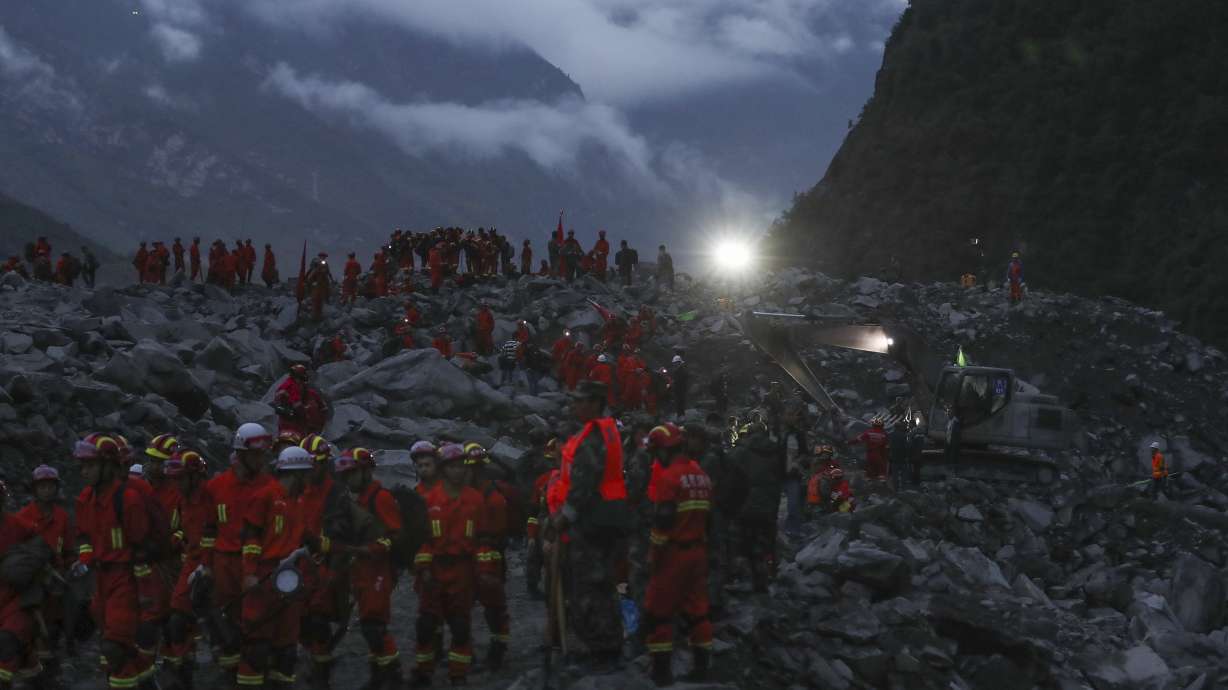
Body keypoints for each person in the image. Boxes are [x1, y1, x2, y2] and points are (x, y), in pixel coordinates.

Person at [547, 380, 631, 670]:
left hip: (592, 521)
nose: (574, 405)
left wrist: (563, 518)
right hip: (606, 517)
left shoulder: (592, 438)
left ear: (595, 403)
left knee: (589, 587)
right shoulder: (603, 431)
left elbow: (583, 485)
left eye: (580, 400)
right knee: (602, 584)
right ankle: (607, 645)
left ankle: (602, 649)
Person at [71, 433, 152, 690]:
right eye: (82, 466)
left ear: (108, 466)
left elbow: (142, 548)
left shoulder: (128, 500)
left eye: (90, 465)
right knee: (121, 647)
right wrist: (84, 559)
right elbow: (85, 536)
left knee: (113, 648)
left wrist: (145, 593)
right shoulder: (85, 498)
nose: (83, 471)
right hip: (100, 580)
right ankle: (149, 680)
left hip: (126, 579)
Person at [411, 443, 493, 687]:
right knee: (426, 624)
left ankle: (458, 675)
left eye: (461, 467)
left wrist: (485, 571)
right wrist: (423, 569)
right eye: (453, 467)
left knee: (460, 625)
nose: (458, 472)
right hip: (434, 569)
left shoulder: (475, 500)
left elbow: (483, 537)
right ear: (443, 469)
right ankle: (424, 672)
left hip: (463, 570)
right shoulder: (427, 499)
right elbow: (420, 538)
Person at [235, 444, 313, 690]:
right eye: (306, 474)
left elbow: (303, 536)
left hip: (289, 579)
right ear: (297, 473)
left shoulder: (297, 501)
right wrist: (249, 572)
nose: (309, 480)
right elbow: (250, 536)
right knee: (256, 646)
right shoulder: (266, 496)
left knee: (286, 648)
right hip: (264, 577)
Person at [640, 423, 712, 685]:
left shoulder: (669, 477)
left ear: (663, 451)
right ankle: (702, 668)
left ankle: (661, 673)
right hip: (698, 552)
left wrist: (653, 556)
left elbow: (663, 523)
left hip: (673, 554)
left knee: (659, 612)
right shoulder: (701, 474)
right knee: (698, 611)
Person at [205, 423, 274, 681]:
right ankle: (229, 674)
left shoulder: (271, 487)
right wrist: (205, 566)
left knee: (257, 631)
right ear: (241, 453)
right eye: (256, 454)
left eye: (263, 454)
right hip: (224, 565)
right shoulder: (216, 487)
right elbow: (208, 529)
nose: (261, 459)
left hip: (257, 566)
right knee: (226, 630)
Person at [334, 448, 406, 688]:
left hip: (378, 569)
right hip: (361, 569)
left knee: (373, 625)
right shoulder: (357, 500)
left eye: (352, 473)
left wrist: (372, 549)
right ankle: (378, 675)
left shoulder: (380, 498)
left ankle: (393, 675)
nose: (347, 479)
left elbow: (395, 535)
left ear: (366, 471)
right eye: (345, 475)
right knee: (369, 623)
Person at [163, 449, 215, 690]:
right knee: (176, 618)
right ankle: (183, 672)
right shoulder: (182, 500)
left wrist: (207, 564)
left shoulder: (212, 498)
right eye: (173, 478)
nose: (176, 483)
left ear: (195, 477)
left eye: (180, 478)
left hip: (216, 563)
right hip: (192, 562)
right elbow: (182, 530)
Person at [15, 466, 72, 684]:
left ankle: (52, 670)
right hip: (33, 585)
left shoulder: (62, 517)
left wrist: (69, 568)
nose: (47, 491)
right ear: (35, 489)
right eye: (42, 486)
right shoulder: (23, 517)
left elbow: (68, 550)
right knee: (32, 631)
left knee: (55, 630)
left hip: (56, 584)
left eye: (51, 486)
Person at [463, 444, 512, 670]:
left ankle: (498, 649)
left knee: (493, 607)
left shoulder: (493, 499)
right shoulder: (469, 494)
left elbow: (498, 534)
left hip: (489, 557)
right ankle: (464, 651)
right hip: (469, 556)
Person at [0, 479, 47, 690]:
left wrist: (25, 563)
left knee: (7, 642)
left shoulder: (16, 525)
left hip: (17, 598)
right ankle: (37, 677)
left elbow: (41, 546)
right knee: (21, 650)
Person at [734, 422, 783, 592]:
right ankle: (770, 573)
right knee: (768, 541)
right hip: (769, 504)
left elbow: (731, 476)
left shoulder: (741, 452)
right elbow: (782, 477)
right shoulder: (776, 451)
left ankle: (748, 576)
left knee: (747, 541)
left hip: (746, 503)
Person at [524, 439, 558, 600]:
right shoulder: (541, 481)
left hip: (563, 525)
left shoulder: (573, 479)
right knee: (534, 554)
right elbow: (533, 511)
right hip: (544, 524)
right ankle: (534, 586)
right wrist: (531, 536)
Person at [274, 364, 329, 437]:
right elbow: (297, 406)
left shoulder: (310, 393)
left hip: (304, 426)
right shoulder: (291, 387)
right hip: (292, 425)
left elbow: (324, 409)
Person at [851, 417, 890, 481]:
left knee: (869, 470)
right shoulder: (884, 434)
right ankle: (882, 482)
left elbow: (858, 439)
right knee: (881, 470)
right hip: (879, 454)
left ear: (873, 425)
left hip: (869, 454)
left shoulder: (868, 432)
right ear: (882, 425)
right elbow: (887, 446)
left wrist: (849, 442)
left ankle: (869, 481)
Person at [889, 420, 911, 490]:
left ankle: (896, 488)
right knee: (903, 474)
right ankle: (903, 489)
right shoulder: (904, 436)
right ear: (900, 427)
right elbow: (907, 447)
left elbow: (889, 446)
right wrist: (907, 456)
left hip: (894, 458)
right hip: (902, 458)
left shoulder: (891, 435)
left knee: (895, 475)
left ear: (894, 427)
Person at [670, 354, 689, 419]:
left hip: (681, 389)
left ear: (679, 363)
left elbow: (681, 379)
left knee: (680, 403)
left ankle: (681, 416)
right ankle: (680, 416)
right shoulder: (677, 370)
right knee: (679, 403)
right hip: (678, 390)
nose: (675, 364)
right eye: (675, 363)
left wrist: (674, 382)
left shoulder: (682, 370)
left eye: (676, 363)